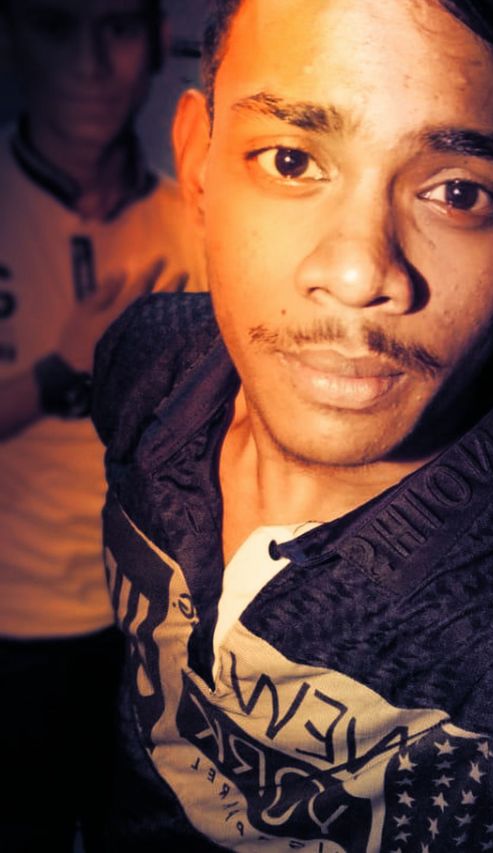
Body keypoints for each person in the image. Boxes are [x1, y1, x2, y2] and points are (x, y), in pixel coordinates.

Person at [92, 0, 493, 849]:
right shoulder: (147, 365)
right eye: (291, 159)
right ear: (198, 168)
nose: (358, 271)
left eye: (458, 192)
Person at [0, 0, 202, 850]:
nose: (89, 63)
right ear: (12, 36)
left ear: (155, 41)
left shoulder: (197, 224)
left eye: (116, 26)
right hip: (12, 633)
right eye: (56, 25)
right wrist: (59, 369)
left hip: (153, 637)